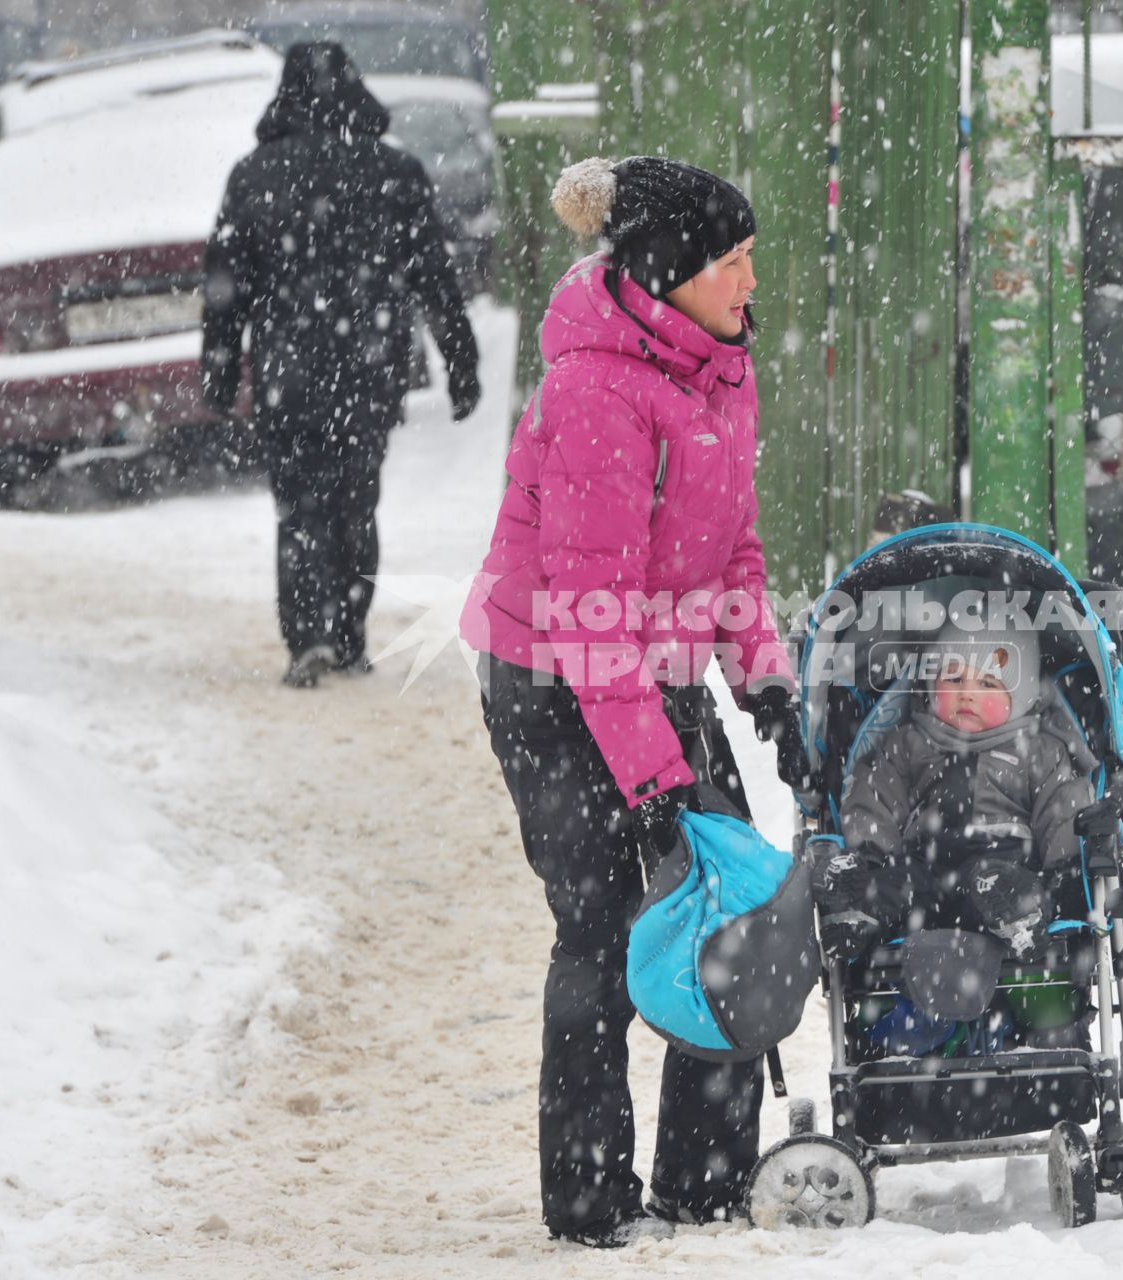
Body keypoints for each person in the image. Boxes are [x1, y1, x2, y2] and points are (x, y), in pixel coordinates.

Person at [460, 155, 812, 1248]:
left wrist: (761, 674)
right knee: (609, 920)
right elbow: (587, 615)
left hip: (644, 665)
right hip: (552, 680)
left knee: (732, 907)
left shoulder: (719, 369)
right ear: (672, 273)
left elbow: (730, 548)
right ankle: (590, 1204)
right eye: (736, 260)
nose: (754, 280)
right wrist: (654, 787)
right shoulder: (595, 395)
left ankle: (702, 1184)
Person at [202, 42, 481, 688]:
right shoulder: (396, 173)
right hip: (369, 367)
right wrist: (460, 362)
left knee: (299, 506)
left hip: (287, 371)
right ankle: (349, 634)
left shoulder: (253, 177)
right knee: (356, 501)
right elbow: (436, 278)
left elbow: (224, 288)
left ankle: (306, 639)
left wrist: (219, 371)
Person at [815, 619, 1094, 978]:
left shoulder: (1039, 750)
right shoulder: (910, 741)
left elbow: (1062, 810)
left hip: (1003, 856)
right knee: (894, 886)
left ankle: (1019, 914)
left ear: (1021, 697)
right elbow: (875, 797)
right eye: (954, 679)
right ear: (932, 685)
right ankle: (858, 913)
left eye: (988, 683)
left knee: (1000, 885)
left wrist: (1065, 870)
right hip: (923, 863)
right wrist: (872, 853)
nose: (968, 694)